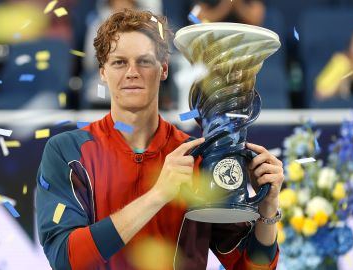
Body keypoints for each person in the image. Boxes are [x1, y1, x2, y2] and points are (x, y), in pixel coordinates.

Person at [36, 9, 283, 269]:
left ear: (163, 69)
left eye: (144, 61)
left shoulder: (195, 157)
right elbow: (65, 259)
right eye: (119, 62)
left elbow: (248, 266)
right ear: (102, 72)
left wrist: (268, 208)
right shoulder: (68, 151)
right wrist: (158, 195)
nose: (132, 72)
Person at [192, 0, 265, 26]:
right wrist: (224, 6)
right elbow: (194, 19)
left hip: (241, 43)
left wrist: (239, 6)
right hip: (212, 42)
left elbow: (256, 21)